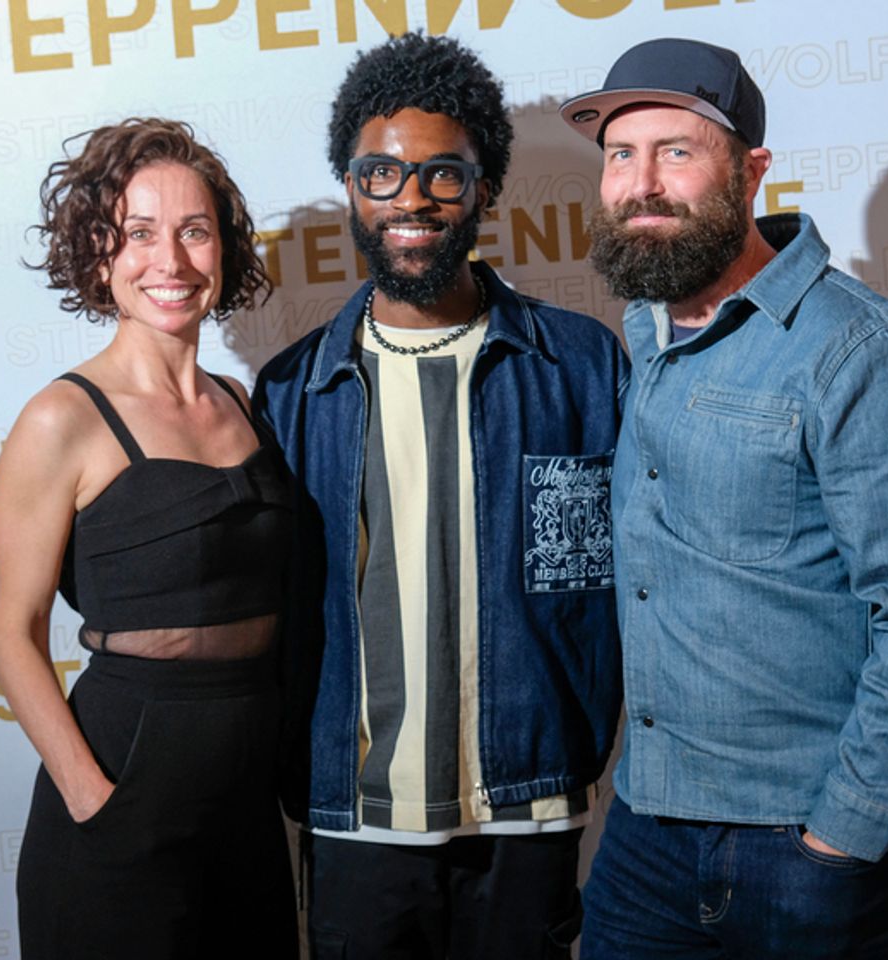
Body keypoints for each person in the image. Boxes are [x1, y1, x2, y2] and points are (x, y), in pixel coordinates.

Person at [559, 38, 888, 959]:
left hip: (804, 846)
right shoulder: (645, 330)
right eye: (620, 156)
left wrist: (840, 834)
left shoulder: (860, 349)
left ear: (751, 171)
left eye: (676, 151)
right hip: (646, 828)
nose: (642, 183)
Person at [253, 32, 628, 959]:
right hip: (356, 811)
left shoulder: (583, 366)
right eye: (380, 172)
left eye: (442, 175)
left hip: (531, 803)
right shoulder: (293, 392)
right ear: (351, 187)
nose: (410, 198)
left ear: (486, 189)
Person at [0, 118, 298, 959]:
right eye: (139, 234)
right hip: (121, 795)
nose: (172, 261)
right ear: (97, 255)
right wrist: (93, 798)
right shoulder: (61, 418)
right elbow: (10, 634)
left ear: (223, 249)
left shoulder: (243, 403)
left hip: (248, 811)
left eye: (195, 232)